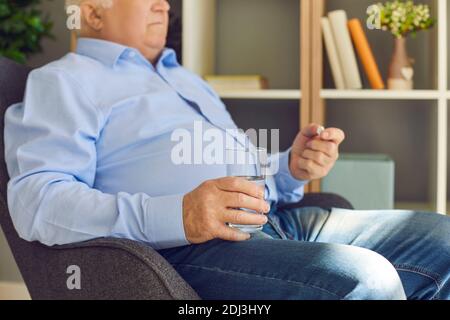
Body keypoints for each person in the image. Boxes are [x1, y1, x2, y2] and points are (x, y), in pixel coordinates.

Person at [4, 0, 449, 300]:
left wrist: (290, 169)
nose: (164, 3)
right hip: (187, 247)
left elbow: (246, 176)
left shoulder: (186, 79)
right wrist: (178, 214)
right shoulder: (65, 80)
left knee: (444, 239)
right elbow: (36, 200)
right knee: (365, 280)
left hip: (278, 221)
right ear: (92, 12)